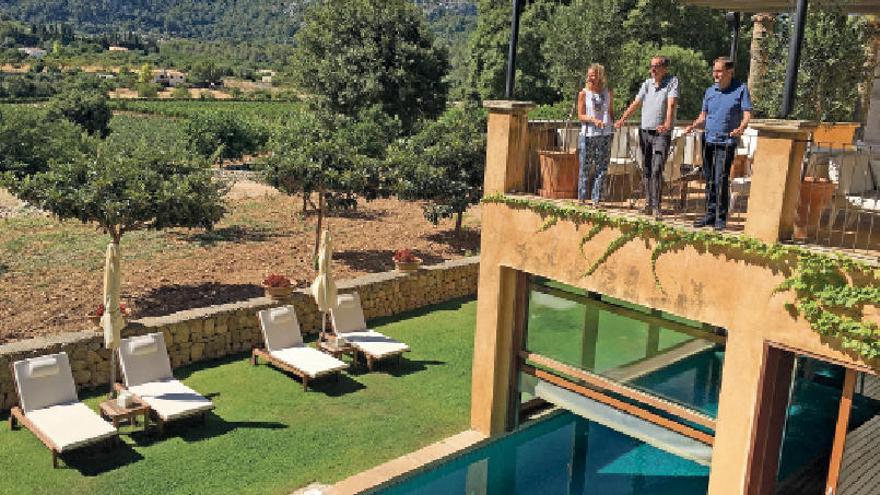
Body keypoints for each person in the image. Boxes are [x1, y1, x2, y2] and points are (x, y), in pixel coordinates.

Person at [685, 56, 752, 230]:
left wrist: (741, 128)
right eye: (714, 70)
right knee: (708, 178)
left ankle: (721, 218)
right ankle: (709, 214)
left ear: (730, 72)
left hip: (727, 140)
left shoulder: (741, 89)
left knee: (720, 178)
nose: (715, 74)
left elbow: (746, 115)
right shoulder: (709, 91)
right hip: (708, 139)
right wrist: (693, 125)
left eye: (719, 71)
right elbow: (703, 116)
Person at [615, 56, 679, 219]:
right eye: (651, 66)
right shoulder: (647, 83)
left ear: (665, 68)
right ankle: (649, 203)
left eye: (656, 66)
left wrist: (667, 123)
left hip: (661, 133)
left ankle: (657, 206)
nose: (653, 69)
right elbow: (636, 103)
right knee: (647, 169)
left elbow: (671, 103)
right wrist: (623, 118)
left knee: (657, 168)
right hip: (645, 131)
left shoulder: (672, 82)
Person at [577, 63, 614, 205]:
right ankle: (581, 198)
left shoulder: (608, 92)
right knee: (585, 167)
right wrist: (593, 120)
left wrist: (615, 124)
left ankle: (596, 199)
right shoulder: (583, 94)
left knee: (602, 167)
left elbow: (610, 111)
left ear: (600, 76)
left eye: (594, 74)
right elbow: (580, 115)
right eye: (589, 74)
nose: (591, 77)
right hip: (588, 134)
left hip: (605, 134)